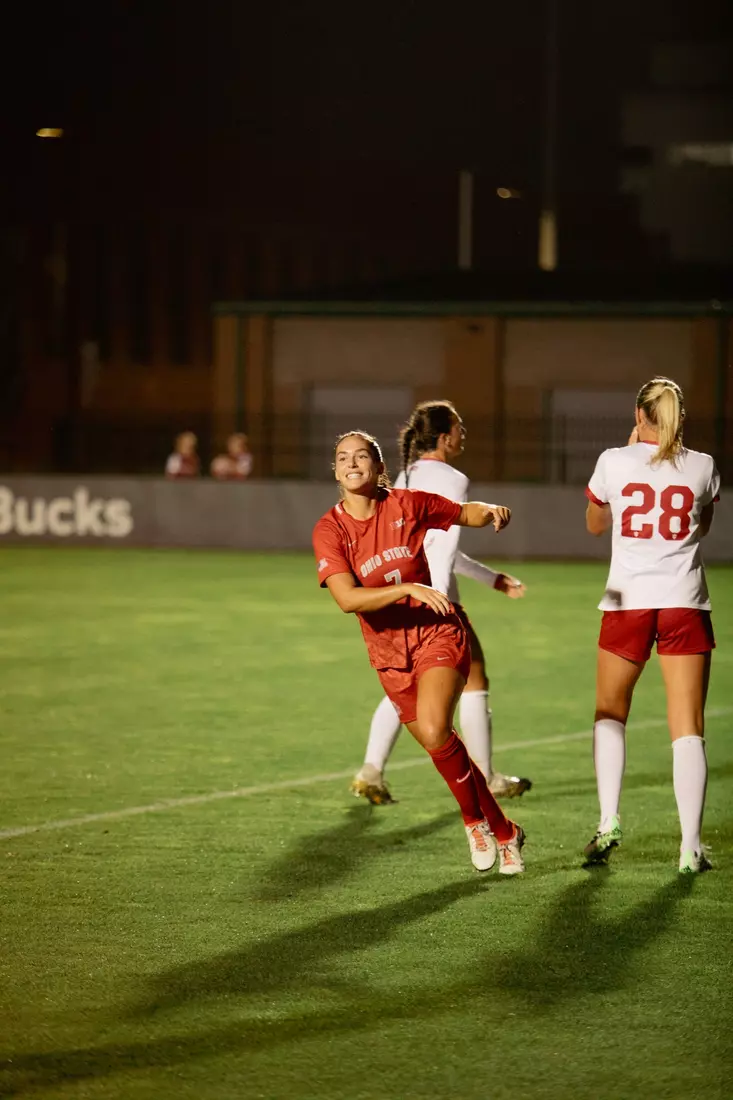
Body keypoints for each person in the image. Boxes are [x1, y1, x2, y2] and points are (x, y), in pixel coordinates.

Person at [312, 429, 526, 875]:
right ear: (335, 471)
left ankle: (473, 822)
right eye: (342, 458)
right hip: (389, 656)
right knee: (443, 746)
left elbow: (462, 513)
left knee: (433, 730)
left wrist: (490, 512)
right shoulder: (330, 530)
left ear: (378, 466)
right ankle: (504, 830)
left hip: (436, 633)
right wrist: (408, 587)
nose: (351, 464)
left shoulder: (407, 503)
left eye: (360, 457)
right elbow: (348, 599)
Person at [350, 400, 532, 805]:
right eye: (459, 427)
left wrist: (492, 579)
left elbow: (421, 544)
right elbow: (443, 548)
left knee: (408, 686)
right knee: (475, 678)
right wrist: (440, 600)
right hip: (432, 598)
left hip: (399, 594)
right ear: (446, 437)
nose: (463, 433)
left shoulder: (404, 475)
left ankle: (371, 770)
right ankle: (488, 778)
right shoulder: (453, 479)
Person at [583, 377, 720, 874]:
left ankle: (607, 820)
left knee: (610, 713)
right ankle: (690, 847)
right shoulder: (703, 465)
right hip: (684, 601)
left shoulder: (613, 461)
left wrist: (627, 454)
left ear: (638, 414)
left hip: (627, 602)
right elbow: (701, 526)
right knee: (688, 728)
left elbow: (596, 524)